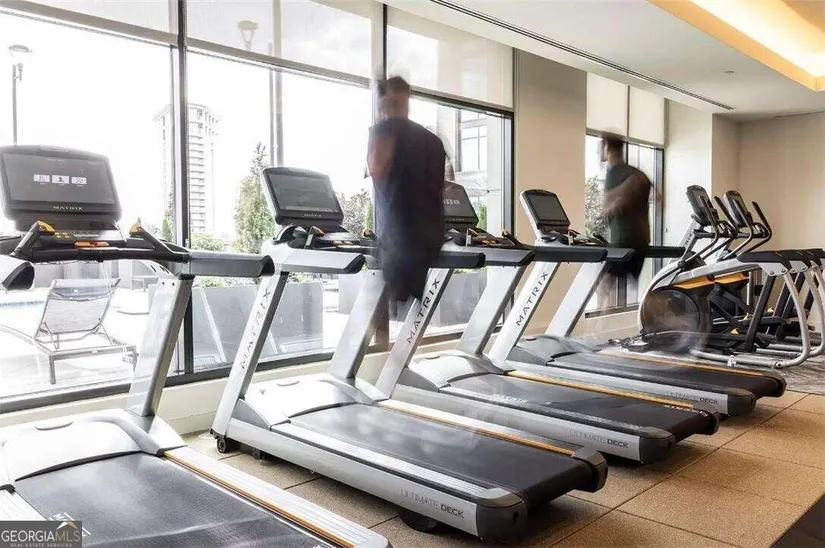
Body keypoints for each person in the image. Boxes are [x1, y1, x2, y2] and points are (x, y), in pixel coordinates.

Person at [366, 76, 446, 303]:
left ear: (384, 101)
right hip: (429, 244)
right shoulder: (433, 141)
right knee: (413, 309)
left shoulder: (382, 133)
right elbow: (440, 189)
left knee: (381, 309)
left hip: (398, 244)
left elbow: (375, 169)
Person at [600, 134, 652, 303]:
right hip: (641, 243)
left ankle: (597, 324)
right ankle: (665, 312)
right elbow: (658, 196)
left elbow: (610, 207)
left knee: (603, 286)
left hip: (623, 242)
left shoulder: (615, 172)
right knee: (621, 288)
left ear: (607, 147)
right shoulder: (637, 173)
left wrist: (610, 205)